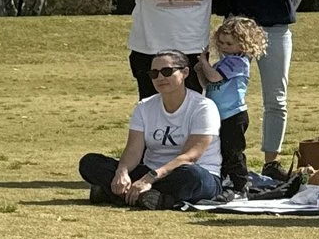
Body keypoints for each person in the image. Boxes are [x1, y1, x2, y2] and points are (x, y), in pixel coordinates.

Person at [216, 0, 301, 176]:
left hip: (274, 31)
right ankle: (227, 159)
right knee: (226, 94)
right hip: (238, 32)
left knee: (276, 99)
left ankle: (271, 162)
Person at [79, 53, 223, 208]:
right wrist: (122, 172)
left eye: (167, 72)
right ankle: (150, 197)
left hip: (189, 173)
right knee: (89, 163)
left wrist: (150, 178)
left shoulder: (203, 107)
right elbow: (133, 150)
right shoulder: (144, 107)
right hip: (150, 172)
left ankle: (118, 194)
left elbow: (189, 157)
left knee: (193, 176)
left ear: (185, 73)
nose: (160, 77)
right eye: (154, 74)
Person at [203, 14, 266, 193]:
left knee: (233, 152)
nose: (224, 47)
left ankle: (241, 184)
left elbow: (214, 77)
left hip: (233, 115)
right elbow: (207, 82)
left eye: (229, 44)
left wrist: (203, 62)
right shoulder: (222, 62)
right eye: (221, 43)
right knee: (220, 150)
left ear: (244, 44)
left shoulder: (239, 62)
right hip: (219, 115)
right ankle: (223, 180)